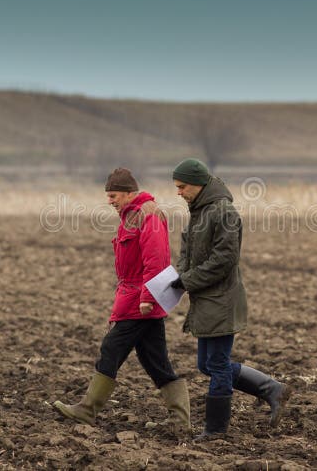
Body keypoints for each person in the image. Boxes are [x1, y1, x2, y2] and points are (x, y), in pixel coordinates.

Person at [50, 168, 190, 435]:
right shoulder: (132, 215)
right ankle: (181, 423)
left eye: (113, 195)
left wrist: (148, 299)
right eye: (108, 196)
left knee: (111, 348)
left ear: (129, 193)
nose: (109, 201)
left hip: (141, 301)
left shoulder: (147, 215)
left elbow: (157, 261)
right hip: (135, 298)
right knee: (155, 361)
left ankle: (87, 409)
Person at [170, 158, 292, 439]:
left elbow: (225, 259)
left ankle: (215, 430)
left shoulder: (223, 212)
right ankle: (272, 389)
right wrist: (179, 277)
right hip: (206, 299)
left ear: (199, 184)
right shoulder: (199, 211)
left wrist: (187, 280)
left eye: (182, 186)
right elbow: (187, 253)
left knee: (218, 365)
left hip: (222, 300)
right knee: (206, 365)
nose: (178, 192)